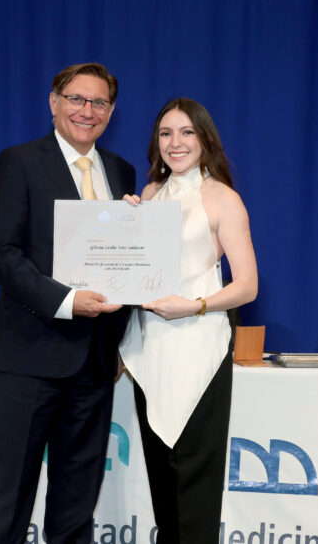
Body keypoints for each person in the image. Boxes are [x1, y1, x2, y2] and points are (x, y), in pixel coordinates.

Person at [0, 63, 136, 544]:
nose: (88, 111)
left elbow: (126, 260)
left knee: (76, 503)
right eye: (77, 99)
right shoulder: (19, 162)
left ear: (111, 111)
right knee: (10, 498)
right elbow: (1, 253)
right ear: (54, 102)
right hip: (30, 358)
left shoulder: (121, 171)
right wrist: (66, 300)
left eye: (99, 102)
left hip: (95, 363)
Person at [119, 97, 258, 543]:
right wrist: (121, 224)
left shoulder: (222, 198)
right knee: (163, 481)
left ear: (204, 139)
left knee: (195, 481)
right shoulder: (149, 195)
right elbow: (135, 274)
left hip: (200, 348)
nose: (175, 142)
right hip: (150, 350)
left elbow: (247, 286)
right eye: (166, 133)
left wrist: (194, 305)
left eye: (186, 132)